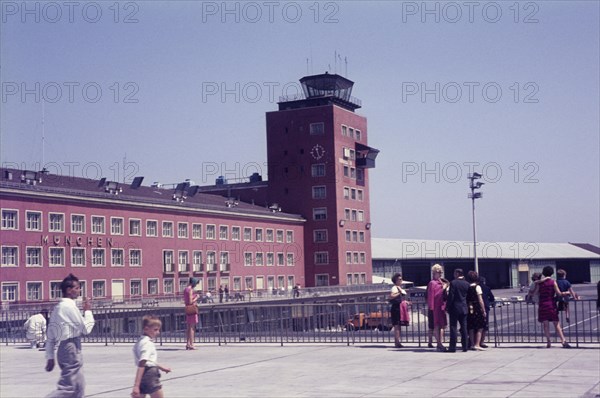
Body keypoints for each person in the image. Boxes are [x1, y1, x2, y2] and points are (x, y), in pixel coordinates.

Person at [45, 273, 95, 398]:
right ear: (68, 290)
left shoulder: (58, 308)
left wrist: (50, 356)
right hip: (71, 348)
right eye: (77, 288)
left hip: (64, 348)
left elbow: (50, 334)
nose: (79, 290)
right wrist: (88, 310)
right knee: (69, 388)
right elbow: (86, 328)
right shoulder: (69, 307)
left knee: (78, 388)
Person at [529, 266, 571, 348]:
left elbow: (534, 293)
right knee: (556, 324)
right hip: (551, 304)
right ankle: (563, 341)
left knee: (545, 324)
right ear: (552, 273)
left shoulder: (540, 283)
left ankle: (548, 342)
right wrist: (566, 292)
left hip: (542, 304)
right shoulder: (553, 282)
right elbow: (559, 293)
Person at [131, 315, 172, 398]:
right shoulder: (147, 344)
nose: (158, 332)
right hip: (150, 375)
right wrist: (136, 385)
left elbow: (150, 361)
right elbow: (142, 363)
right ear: (146, 329)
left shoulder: (140, 341)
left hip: (145, 375)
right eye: (155, 330)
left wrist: (162, 368)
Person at [446, 268, 470, 352]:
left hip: (454, 308)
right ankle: (465, 346)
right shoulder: (467, 284)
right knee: (464, 327)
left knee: (453, 327)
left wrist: (447, 306)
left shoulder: (453, 283)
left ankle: (452, 347)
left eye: (454, 273)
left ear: (457, 273)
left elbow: (451, 296)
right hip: (464, 308)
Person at [426, 264, 448, 351]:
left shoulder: (442, 282)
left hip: (442, 305)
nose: (440, 273)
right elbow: (431, 295)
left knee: (442, 325)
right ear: (434, 272)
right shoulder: (432, 283)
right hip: (436, 306)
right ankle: (439, 343)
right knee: (437, 325)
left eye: (441, 272)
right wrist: (431, 307)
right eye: (439, 272)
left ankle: (440, 342)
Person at [466, 271, 487, 351]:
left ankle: (471, 344)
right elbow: (480, 300)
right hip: (476, 307)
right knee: (480, 327)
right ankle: (477, 344)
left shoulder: (467, 286)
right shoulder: (477, 287)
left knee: (471, 327)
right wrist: (483, 310)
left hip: (469, 307)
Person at [389, 273, 405, 348]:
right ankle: (397, 342)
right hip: (396, 308)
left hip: (399, 308)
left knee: (398, 326)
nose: (401, 280)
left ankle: (398, 341)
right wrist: (399, 293)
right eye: (400, 279)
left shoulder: (399, 288)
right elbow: (391, 296)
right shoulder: (394, 288)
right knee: (397, 326)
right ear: (396, 280)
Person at [183, 278, 199, 350]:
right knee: (192, 327)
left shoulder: (185, 289)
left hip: (187, 309)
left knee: (188, 327)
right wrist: (196, 298)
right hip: (192, 309)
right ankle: (192, 344)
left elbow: (186, 301)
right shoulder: (190, 290)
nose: (196, 285)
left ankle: (188, 344)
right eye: (196, 284)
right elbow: (190, 301)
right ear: (193, 283)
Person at [479, 277, 495, 348]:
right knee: (485, 325)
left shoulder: (475, 287)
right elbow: (492, 298)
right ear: (484, 281)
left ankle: (475, 341)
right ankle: (482, 342)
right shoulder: (487, 288)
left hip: (476, 308)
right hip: (485, 307)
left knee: (477, 325)